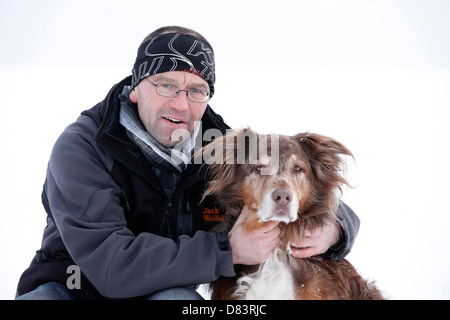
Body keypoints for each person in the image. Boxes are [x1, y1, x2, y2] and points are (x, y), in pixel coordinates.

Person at [16, 26, 360, 300]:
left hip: (160, 291)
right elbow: (111, 266)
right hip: (70, 287)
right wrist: (227, 250)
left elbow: (296, 182)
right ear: (136, 88)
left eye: (197, 90)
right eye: (165, 85)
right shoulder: (83, 147)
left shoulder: (223, 149)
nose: (181, 104)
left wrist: (335, 227)